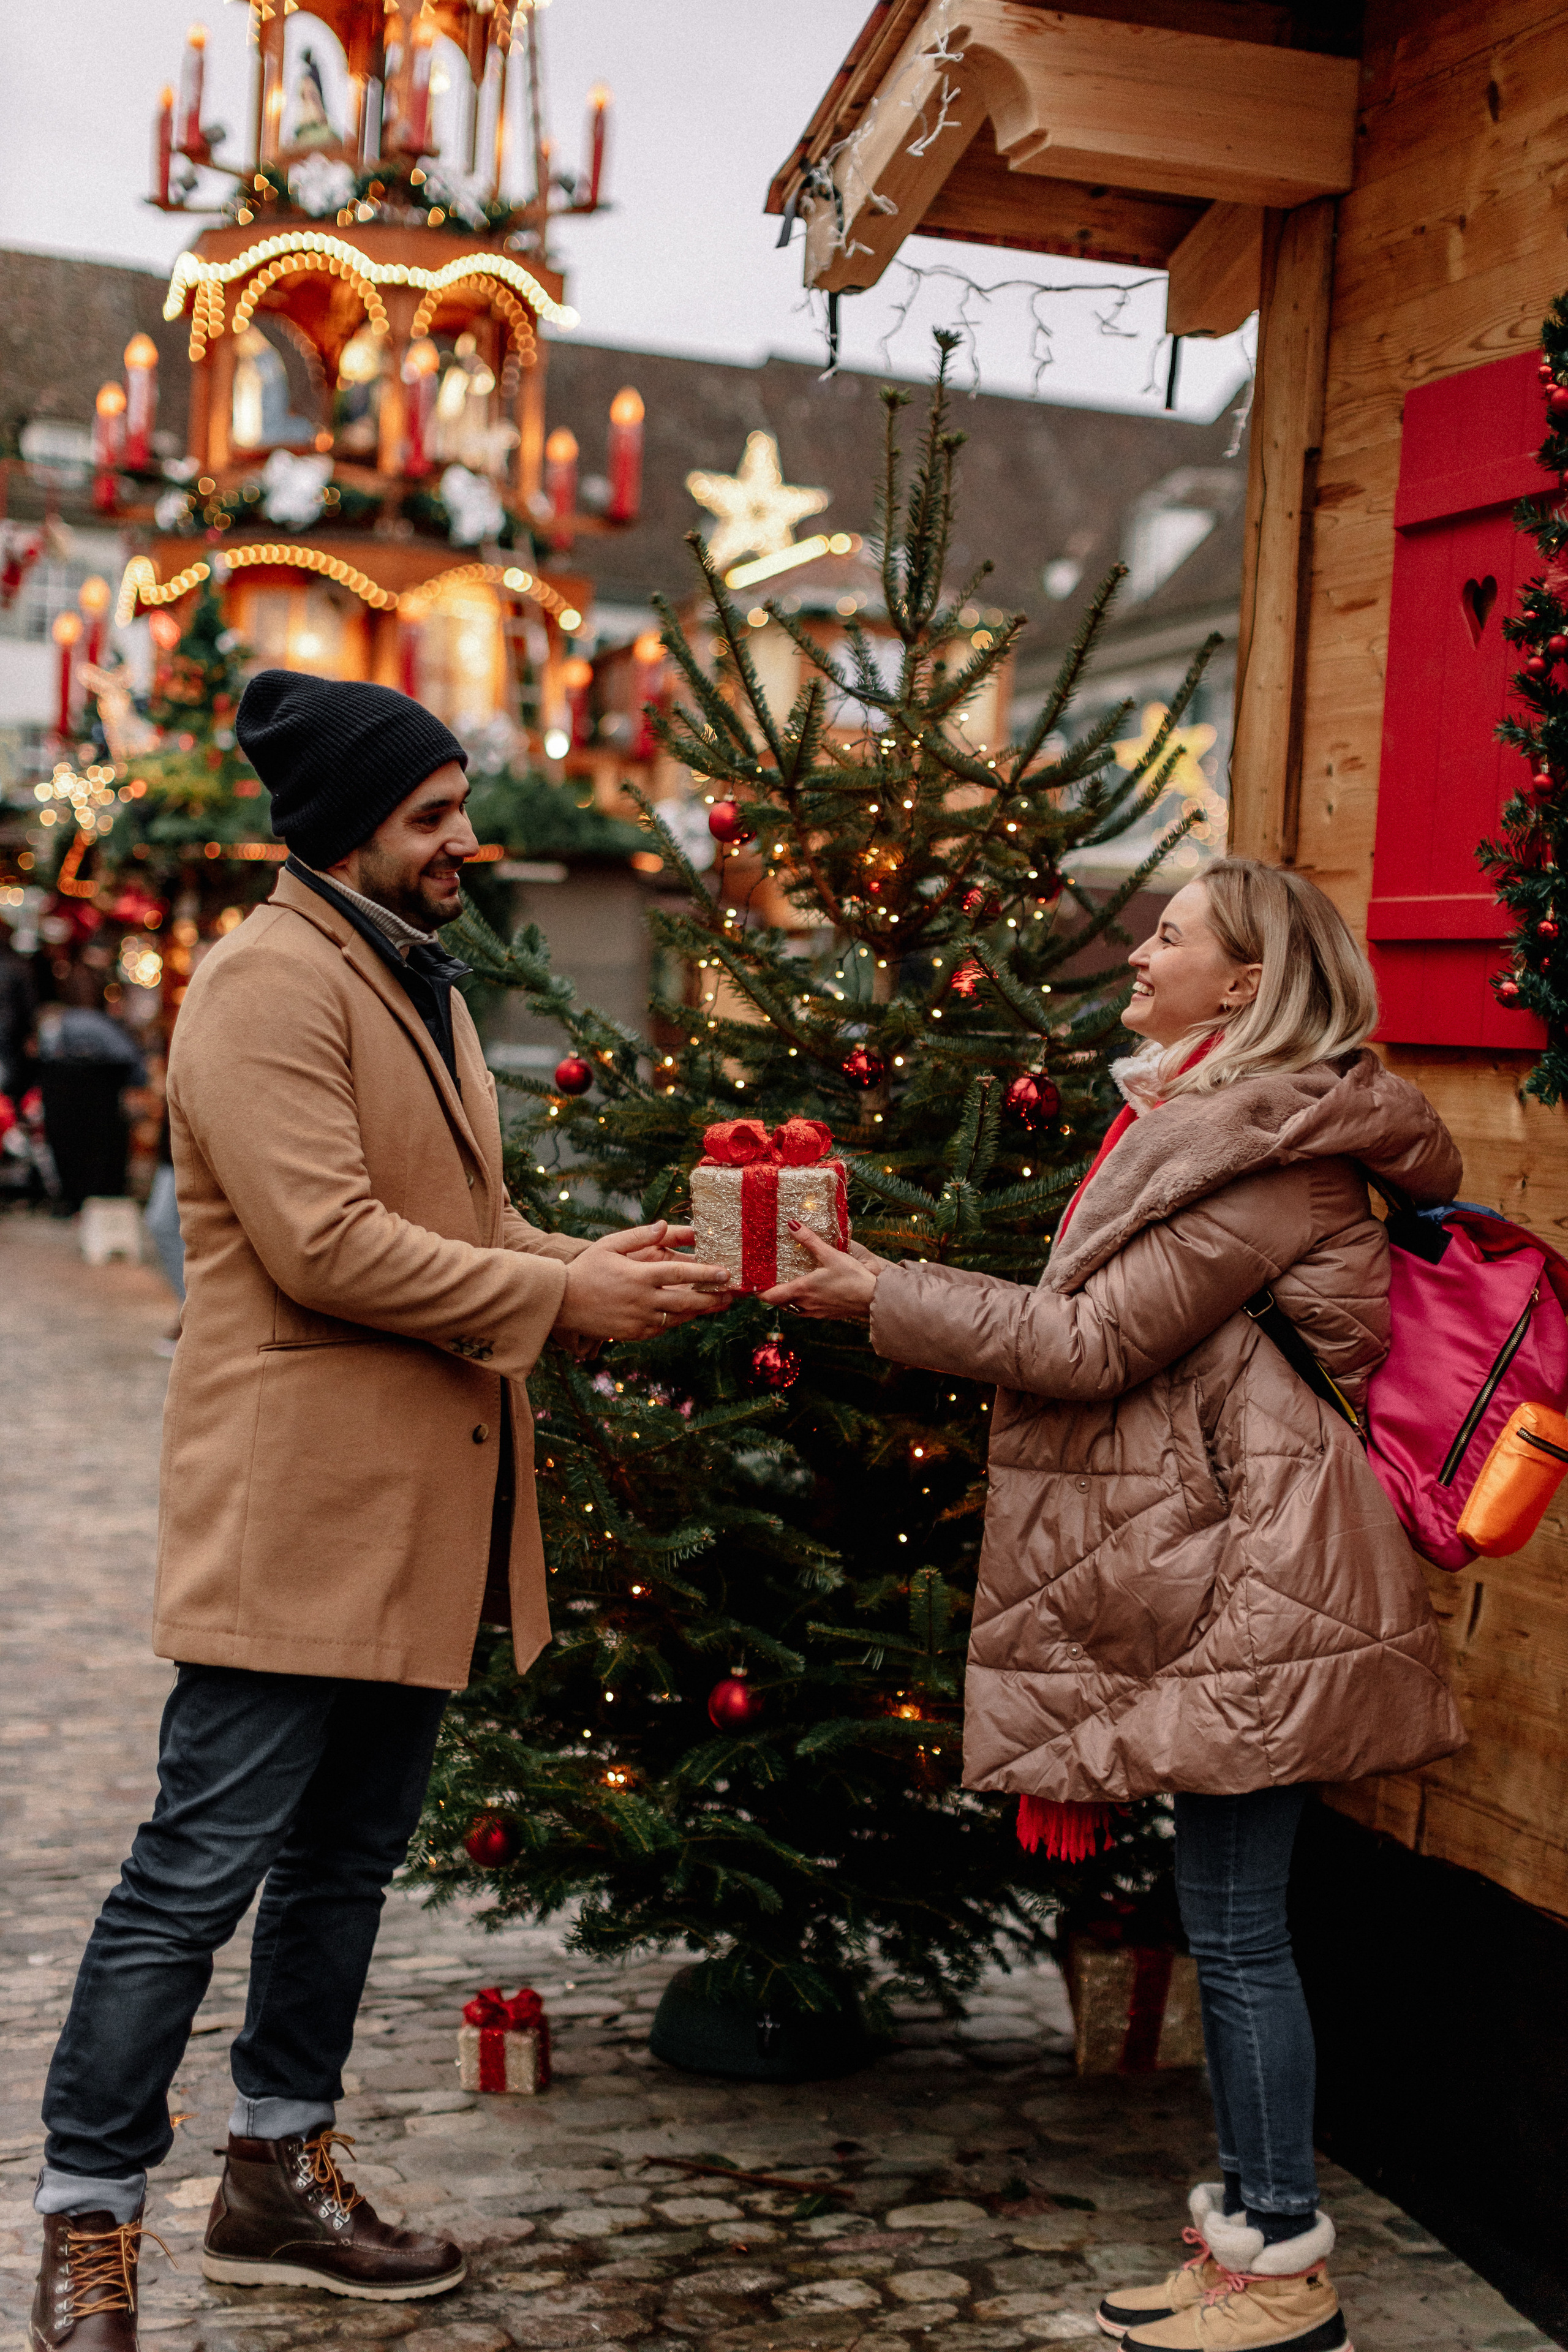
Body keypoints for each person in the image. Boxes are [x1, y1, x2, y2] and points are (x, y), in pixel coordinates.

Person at [32, 673, 731, 2352]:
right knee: (193, 1878)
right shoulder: (267, 982)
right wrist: (558, 1301)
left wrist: (587, 1263)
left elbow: (455, 1222)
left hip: (416, 1511)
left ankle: (277, 2176)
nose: (462, 839)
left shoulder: (406, 975)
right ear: (348, 827)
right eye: (431, 815)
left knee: (341, 1867)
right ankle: (86, 2215)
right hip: (298, 1512)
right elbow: (326, 1243)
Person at [765, 858, 1465, 2352]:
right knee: (1230, 1923)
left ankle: (1279, 2271)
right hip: (1233, 1555)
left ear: (1245, 984)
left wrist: (878, 1293)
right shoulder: (1208, 1125)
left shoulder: (1263, 1154)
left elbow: (1088, 1344)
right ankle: (1253, 2245)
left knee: (1238, 1932)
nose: (1138, 953)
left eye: (1169, 935)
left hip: (1262, 1574)